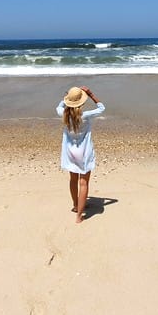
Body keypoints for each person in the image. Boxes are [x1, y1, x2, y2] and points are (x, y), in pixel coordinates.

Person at [56, 85, 105, 223]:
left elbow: (58, 106)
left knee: (73, 179)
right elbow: (102, 108)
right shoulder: (85, 115)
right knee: (83, 183)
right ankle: (79, 217)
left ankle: (76, 206)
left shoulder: (63, 114)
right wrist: (90, 93)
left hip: (70, 151)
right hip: (83, 151)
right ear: (81, 102)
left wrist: (66, 97)